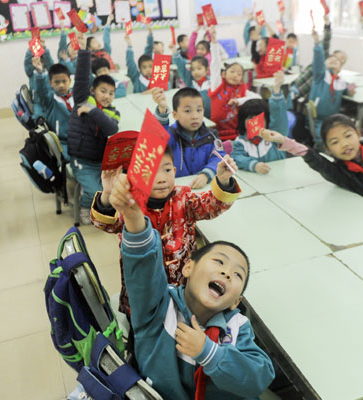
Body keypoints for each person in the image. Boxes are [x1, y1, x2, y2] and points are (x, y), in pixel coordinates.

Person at [109, 171, 275, 399]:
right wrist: (134, 218)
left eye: (238, 275)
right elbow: (143, 269)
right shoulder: (158, 306)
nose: (227, 273)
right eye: (218, 261)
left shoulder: (237, 326)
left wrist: (209, 353)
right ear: (188, 268)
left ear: (236, 302)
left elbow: (259, 378)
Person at [91, 146, 241, 317]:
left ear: (175, 170)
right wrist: (108, 194)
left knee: (182, 333)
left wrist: (223, 182)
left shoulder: (183, 198)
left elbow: (212, 205)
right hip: (143, 296)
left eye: (167, 169)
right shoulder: (129, 203)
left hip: (184, 294)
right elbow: (107, 224)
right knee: (143, 336)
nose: (161, 178)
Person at [67, 33, 120, 225]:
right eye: (102, 91)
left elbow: (111, 128)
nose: (107, 96)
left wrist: (93, 111)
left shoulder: (111, 112)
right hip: (81, 159)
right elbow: (81, 79)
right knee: (93, 191)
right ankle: (83, 206)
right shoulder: (82, 99)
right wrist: (83, 52)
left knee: (111, 189)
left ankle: (99, 208)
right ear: (93, 91)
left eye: (111, 93)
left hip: (101, 161)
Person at [151, 87, 224, 189]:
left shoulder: (211, 135)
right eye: (188, 111)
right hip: (176, 189)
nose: (195, 116)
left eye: (199, 110)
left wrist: (206, 174)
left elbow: (219, 157)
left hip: (204, 189)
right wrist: (162, 110)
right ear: (175, 115)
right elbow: (157, 139)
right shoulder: (171, 134)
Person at [208, 26, 261, 142]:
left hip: (237, 134)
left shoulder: (242, 89)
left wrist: (239, 101)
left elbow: (258, 97)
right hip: (217, 135)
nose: (235, 75)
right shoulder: (217, 85)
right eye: (232, 71)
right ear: (224, 74)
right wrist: (214, 41)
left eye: (239, 74)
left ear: (242, 78)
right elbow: (215, 65)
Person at [231, 71, 288, 173]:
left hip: (278, 179)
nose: (254, 122)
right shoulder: (240, 142)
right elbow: (237, 157)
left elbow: (279, 117)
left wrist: (276, 89)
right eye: (250, 118)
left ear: (267, 120)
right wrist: (254, 165)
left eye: (259, 118)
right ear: (242, 121)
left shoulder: (274, 136)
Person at [308, 29, 352, 149]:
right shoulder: (322, 75)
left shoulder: (341, 82)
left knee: (336, 138)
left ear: (341, 67)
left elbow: (348, 90)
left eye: (338, 61)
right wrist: (317, 44)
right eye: (333, 58)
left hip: (333, 119)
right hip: (317, 118)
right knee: (322, 139)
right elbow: (318, 61)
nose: (335, 60)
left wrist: (351, 90)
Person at [291, 15, 347, 100]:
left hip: (305, 97)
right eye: (340, 56)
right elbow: (326, 41)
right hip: (298, 87)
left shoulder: (335, 75)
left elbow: (346, 86)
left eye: (343, 59)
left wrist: (352, 87)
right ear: (332, 54)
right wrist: (327, 25)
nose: (340, 60)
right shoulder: (323, 59)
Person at [31, 61, 73, 158]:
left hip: (81, 138)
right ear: (50, 83)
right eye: (57, 82)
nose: (61, 85)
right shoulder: (50, 99)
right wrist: (40, 73)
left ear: (70, 81)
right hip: (63, 141)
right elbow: (42, 91)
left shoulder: (75, 96)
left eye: (64, 81)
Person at [172, 50, 211, 118]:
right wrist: (175, 52)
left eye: (199, 68)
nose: (196, 72)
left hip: (210, 117)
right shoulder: (190, 82)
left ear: (206, 70)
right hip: (195, 117)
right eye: (193, 69)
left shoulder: (211, 83)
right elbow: (181, 66)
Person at [125, 23, 157, 93]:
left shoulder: (157, 78)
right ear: (140, 69)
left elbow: (149, 50)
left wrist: (150, 33)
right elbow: (130, 63)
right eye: (144, 67)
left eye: (150, 67)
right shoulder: (137, 77)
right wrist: (129, 45)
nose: (148, 69)